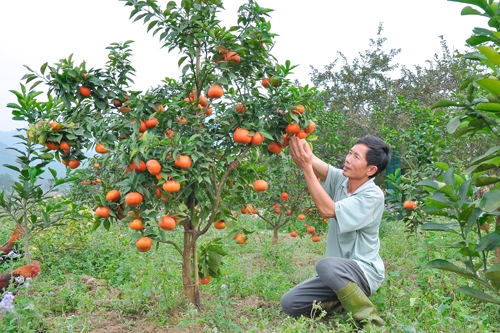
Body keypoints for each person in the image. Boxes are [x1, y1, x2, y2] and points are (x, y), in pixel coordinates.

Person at [280, 135, 390, 328]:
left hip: (362, 271)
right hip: (337, 273)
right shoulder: (342, 179)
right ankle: (341, 303)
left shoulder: (372, 196)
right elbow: (311, 158)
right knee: (290, 303)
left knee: (326, 266)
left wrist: (306, 168)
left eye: (356, 157)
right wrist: (294, 132)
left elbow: (328, 210)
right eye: (350, 153)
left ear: (371, 169)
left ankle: (370, 320)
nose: (347, 159)